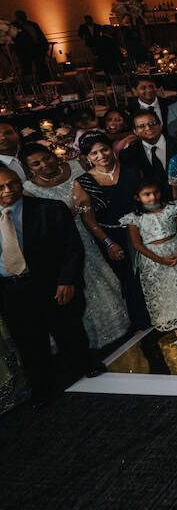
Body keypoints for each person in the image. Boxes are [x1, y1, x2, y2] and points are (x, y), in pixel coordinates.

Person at [0, 166, 103, 407]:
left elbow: (72, 247)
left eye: (13, 183)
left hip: (49, 283)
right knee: (29, 343)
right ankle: (43, 390)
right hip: (11, 290)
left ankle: (85, 364)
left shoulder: (49, 209)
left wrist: (67, 280)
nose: (8, 190)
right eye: (1, 187)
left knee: (67, 329)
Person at [20, 144, 128, 348]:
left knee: (111, 277)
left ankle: (123, 324)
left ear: (53, 155)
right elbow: (37, 225)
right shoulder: (29, 190)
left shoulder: (77, 167)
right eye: (36, 164)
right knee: (83, 284)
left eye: (46, 158)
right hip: (65, 242)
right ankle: (93, 339)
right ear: (30, 168)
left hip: (98, 229)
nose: (44, 164)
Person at [76, 133, 152, 332]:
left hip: (143, 229)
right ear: (87, 158)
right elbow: (88, 219)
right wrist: (109, 243)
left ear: (112, 149)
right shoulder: (83, 182)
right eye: (94, 153)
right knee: (129, 279)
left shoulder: (132, 169)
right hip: (113, 237)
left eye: (104, 149)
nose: (101, 155)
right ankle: (143, 320)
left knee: (152, 271)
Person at [119, 180, 177, 333]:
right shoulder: (134, 218)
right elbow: (137, 244)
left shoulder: (171, 208)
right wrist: (160, 260)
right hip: (154, 256)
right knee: (166, 288)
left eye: (156, 192)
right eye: (146, 195)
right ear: (137, 197)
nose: (153, 197)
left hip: (175, 248)